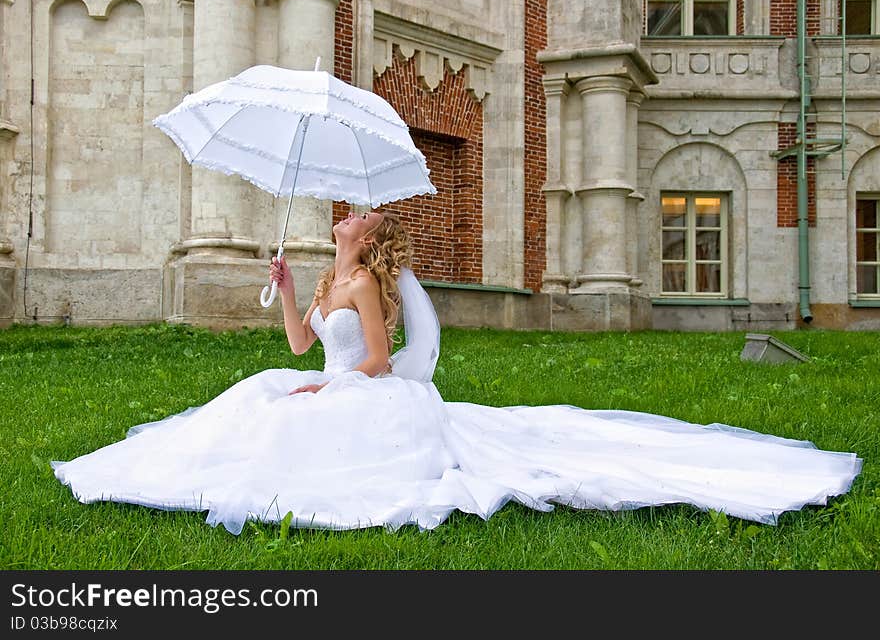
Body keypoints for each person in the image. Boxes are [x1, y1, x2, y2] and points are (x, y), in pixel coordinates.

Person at [52, 211, 863, 535]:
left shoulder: (366, 282)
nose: (348, 215)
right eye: (349, 211)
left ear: (369, 239)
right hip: (335, 378)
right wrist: (292, 292)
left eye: (360, 216)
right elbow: (302, 345)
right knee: (256, 399)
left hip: (366, 395)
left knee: (289, 418)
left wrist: (327, 387)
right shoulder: (329, 276)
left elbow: (372, 360)